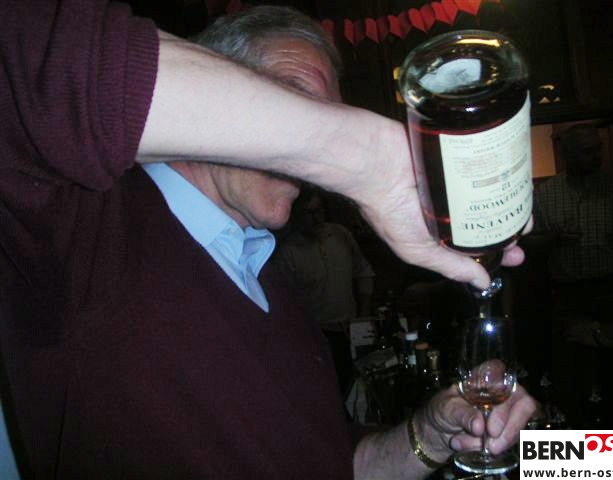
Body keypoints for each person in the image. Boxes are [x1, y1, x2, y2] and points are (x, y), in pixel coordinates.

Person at [0, 2, 536, 478]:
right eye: (294, 101)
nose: (307, 156)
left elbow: (331, 463)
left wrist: (430, 436)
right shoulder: (85, 225)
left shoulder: (268, 279)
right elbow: (23, 52)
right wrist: (358, 154)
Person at [532, 123, 613, 426]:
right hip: (569, 294)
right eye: (587, 151)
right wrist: (553, 238)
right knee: (572, 370)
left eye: (598, 149)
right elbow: (529, 244)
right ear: (567, 154)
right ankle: (578, 433)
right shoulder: (546, 194)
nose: (596, 156)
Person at [274, 188, 375, 395]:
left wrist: (364, 313)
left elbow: (363, 271)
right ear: (296, 215)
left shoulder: (340, 234)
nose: (316, 218)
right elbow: (285, 304)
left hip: (353, 328)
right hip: (320, 336)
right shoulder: (288, 252)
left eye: (319, 210)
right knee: (333, 389)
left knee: (364, 385)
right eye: (309, 213)